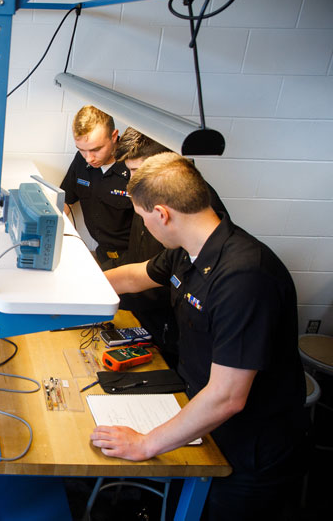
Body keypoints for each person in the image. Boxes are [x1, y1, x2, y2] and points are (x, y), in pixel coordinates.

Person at [93, 153, 306, 520]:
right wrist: (69, 288)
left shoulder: (244, 279)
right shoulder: (189, 251)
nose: (144, 227)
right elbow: (132, 277)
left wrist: (145, 443)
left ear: (162, 214)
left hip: (247, 448)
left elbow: (227, 398)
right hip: (201, 415)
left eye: (142, 218)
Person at [104, 128, 227, 367]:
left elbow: (226, 395)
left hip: (182, 341)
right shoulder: (179, 250)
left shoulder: (234, 275)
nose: (132, 182)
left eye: (138, 173)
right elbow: (134, 275)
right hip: (161, 331)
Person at [59, 105, 133, 265]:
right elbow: (66, 200)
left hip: (132, 259)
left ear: (114, 136)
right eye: (82, 150)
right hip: (103, 255)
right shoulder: (82, 160)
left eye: (96, 149)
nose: (89, 158)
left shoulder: (134, 167)